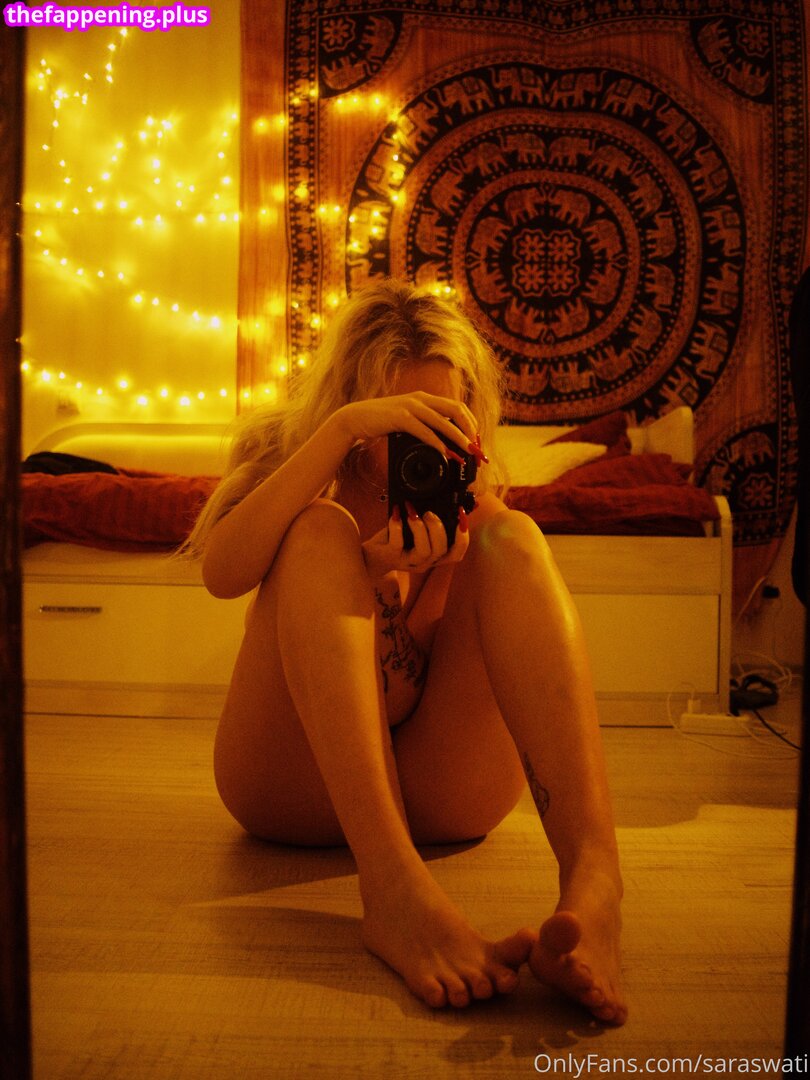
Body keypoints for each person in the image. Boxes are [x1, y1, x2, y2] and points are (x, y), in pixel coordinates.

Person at [185, 279, 627, 1023]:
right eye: (399, 418)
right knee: (318, 529)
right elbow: (222, 574)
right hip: (292, 787)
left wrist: (461, 543)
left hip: (441, 795)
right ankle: (392, 888)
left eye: (441, 417)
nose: (421, 441)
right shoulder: (294, 459)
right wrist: (336, 441)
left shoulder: (464, 494)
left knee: (514, 536)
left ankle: (597, 881)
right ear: (350, 403)